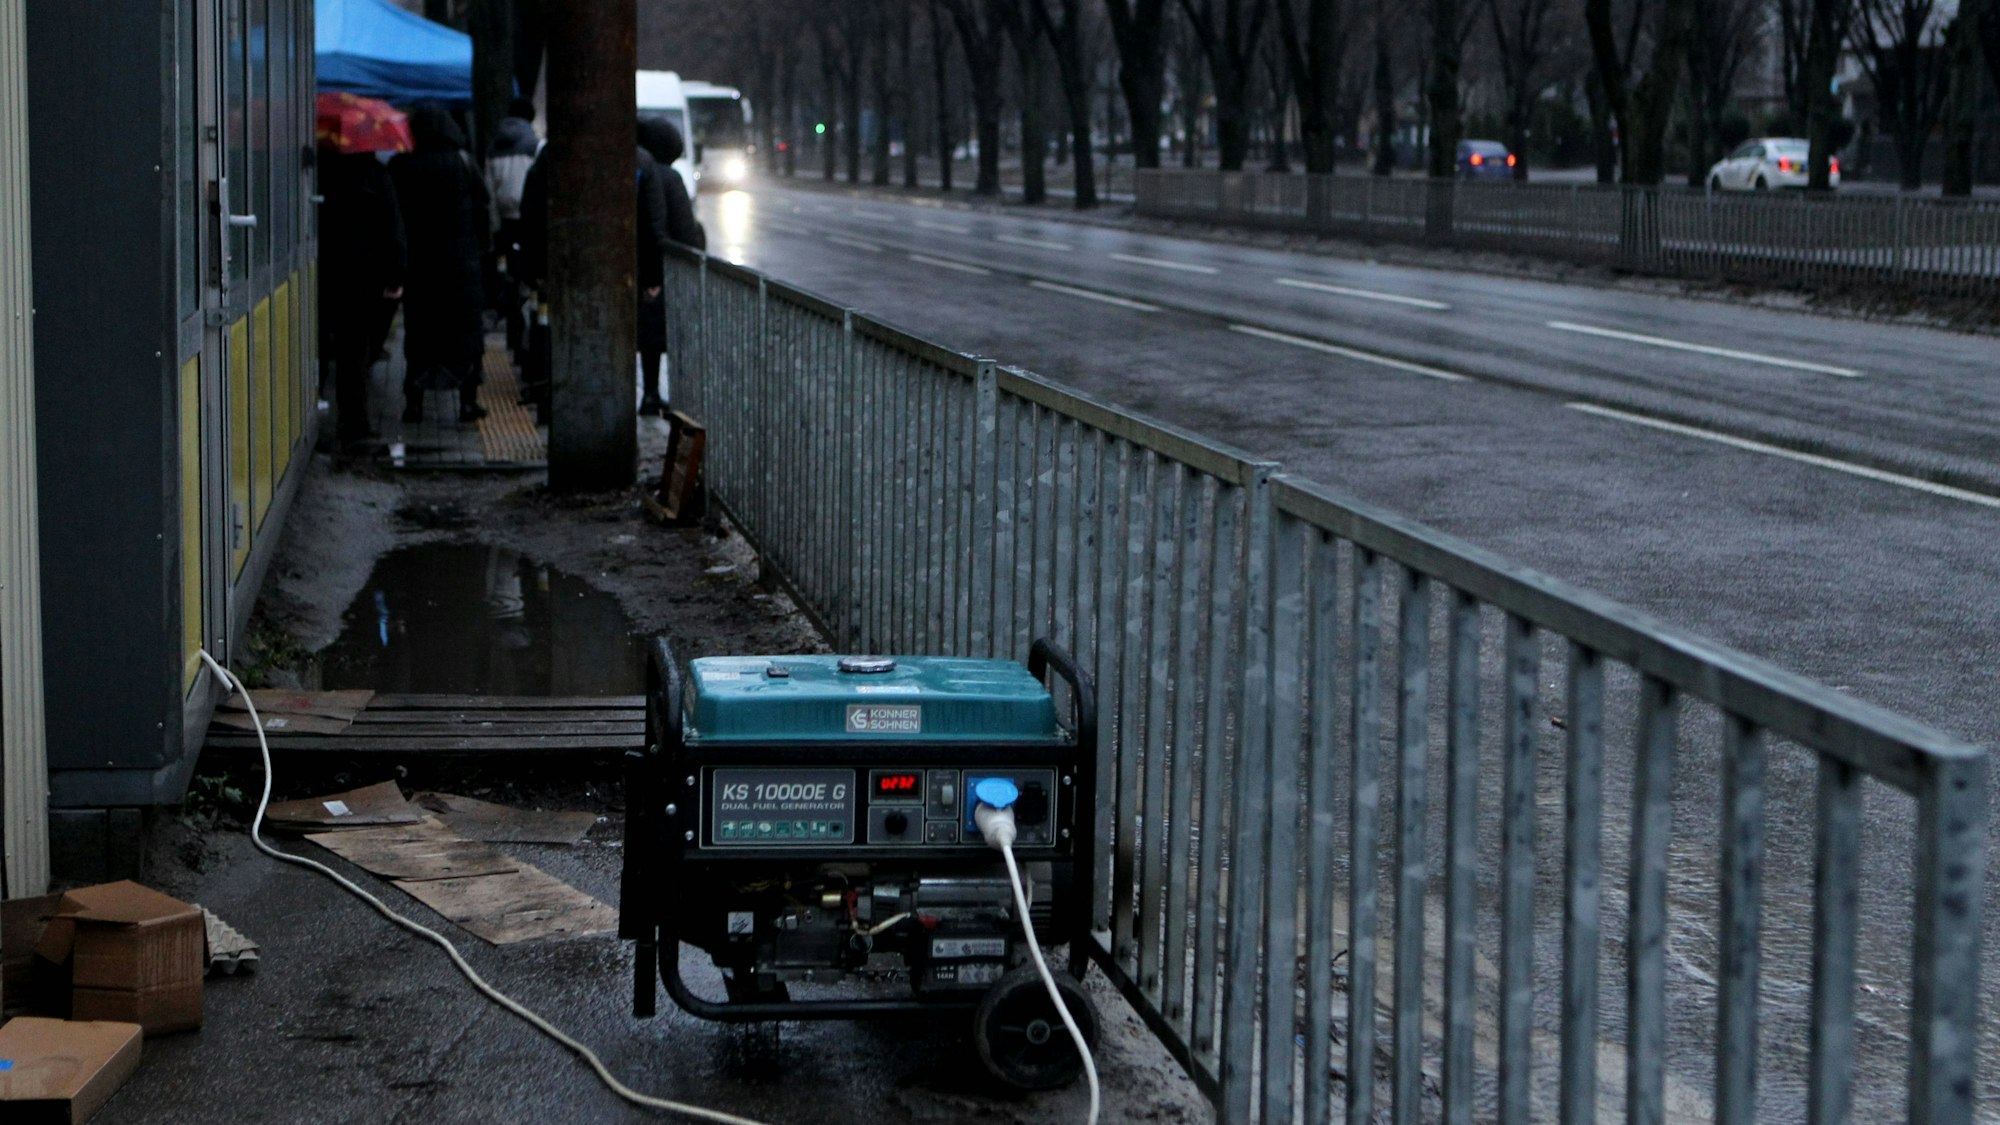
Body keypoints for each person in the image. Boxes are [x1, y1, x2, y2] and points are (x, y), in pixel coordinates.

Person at [391, 104, 491, 424]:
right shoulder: (463, 163)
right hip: (461, 265)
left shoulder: (403, 165)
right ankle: (467, 402)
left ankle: (414, 404)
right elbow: (483, 209)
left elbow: (396, 217)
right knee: (465, 333)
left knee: (420, 333)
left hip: (421, 265)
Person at [316, 147, 406, 450]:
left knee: (317, 344)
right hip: (362, 275)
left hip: (321, 271)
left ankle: (310, 413)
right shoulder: (375, 174)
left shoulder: (319, 171)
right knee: (354, 351)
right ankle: (354, 424)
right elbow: (393, 228)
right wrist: (395, 275)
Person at [636, 118, 706, 415]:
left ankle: (649, 391)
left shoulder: (641, 169)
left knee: (647, 334)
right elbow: (684, 229)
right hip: (661, 268)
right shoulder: (670, 177)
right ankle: (658, 394)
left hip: (638, 263)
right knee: (664, 331)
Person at [485, 97, 539, 360]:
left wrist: (494, 227)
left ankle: (510, 332)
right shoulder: (534, 145)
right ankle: (523, 349)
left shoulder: (494, 147)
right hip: (527, 223)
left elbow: (489, 193)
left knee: (508, 276)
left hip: (504, 224)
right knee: (527, 283)